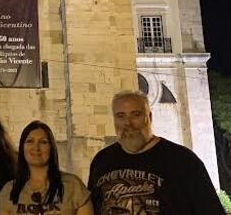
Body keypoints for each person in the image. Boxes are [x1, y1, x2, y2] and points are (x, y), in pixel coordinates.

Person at [87, 90, 224, 214]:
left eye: (136, 114)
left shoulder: (182, 160)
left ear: (150, 117)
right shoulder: (102, 161)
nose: (128, 123)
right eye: (120, 116)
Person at [0, 121, 92, 215]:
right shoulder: (9, 190)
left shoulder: (73, 186)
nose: (36, 147)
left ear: (52, 148)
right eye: (30, 141)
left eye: (43, 142)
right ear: (22, 147)